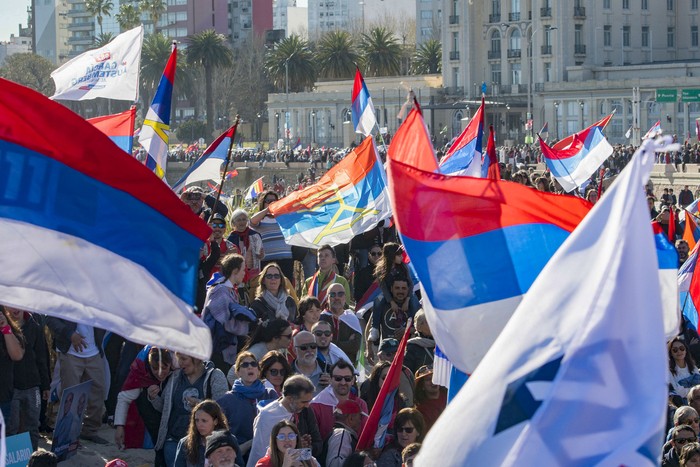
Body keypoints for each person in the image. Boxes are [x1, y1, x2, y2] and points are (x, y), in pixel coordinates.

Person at [152, 353, 228, 466]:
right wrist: (153, 397)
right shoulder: (175, 377)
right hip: (173, 440)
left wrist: (200, 405)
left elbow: (222, 408)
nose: (180, 363)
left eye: (184, 359)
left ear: (197, 358)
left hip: (203, 444)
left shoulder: (215, 375)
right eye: (178, 359)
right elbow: (164, 409)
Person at [45, 316, 107, 444]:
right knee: (70, 395)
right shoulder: (65, 295)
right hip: (70, 351)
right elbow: (50, 318)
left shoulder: (99, 296)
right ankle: (66, 435)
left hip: (94, 351)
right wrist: (70, 334)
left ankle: (90, 431)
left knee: (98, 392)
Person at [114, 347, 173, 465]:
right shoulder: (140, 370)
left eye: (164, 367)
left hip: (173, 408)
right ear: (149, 365)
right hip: (150, 407)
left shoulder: (179, 363)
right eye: (155, 368)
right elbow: (124, 398)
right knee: (159, 442)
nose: (160, 373)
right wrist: (119, 426)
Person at [247, 375, 322, 467]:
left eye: (308, 401)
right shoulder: (267, 416)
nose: (307, 405)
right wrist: (294, 446)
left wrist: (301, 446)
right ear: (290, 398)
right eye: (303, 402)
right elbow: (263, 454)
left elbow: (317, 443)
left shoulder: (306, 410)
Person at [202, 253, 257, 374]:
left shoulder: (230, 291)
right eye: (243, 269)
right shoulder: (219, 291)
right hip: (217, 350)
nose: (245, 273)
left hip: (226, 348)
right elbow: (227, 322)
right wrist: (249, 326)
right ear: (235, 270)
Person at [218, 352, 278, 459]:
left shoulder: (270, 394)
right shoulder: (226, 400)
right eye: (244, 365)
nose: (250, 367)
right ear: (238, 372)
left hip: (267, 454)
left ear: (258, 371)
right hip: (239, 456)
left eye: (253, 364)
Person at [6, 306, 49, 450]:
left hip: (33, 387)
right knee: (11, 428)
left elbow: (42, 358)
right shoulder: (4, 328)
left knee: (32, 426)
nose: (14, 308)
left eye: (17, 304)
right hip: (11, 388)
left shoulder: (34, 326)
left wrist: (46, 385)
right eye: (9, 305)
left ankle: (33, 460)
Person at [311, 360, 368, 440]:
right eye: (338, 378)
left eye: (347, 378)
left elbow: (364, 434)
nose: (343, 382)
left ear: (352, 380)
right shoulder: (316, 405)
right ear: (330, 379)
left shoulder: (361, 404)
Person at [250, 190, 295, 280]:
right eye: (268, 201)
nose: (271, 203)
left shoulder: (283, 217)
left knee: (286, 288)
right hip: (267, 261)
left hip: (285, 260)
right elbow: (252, 221)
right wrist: (268, 209)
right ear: (263, 203)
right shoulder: (261, 219)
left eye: (274, 201)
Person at [174, 399, 229, 467]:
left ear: (215, 421)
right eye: (197, 420)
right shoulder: (185, 443)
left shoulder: (229, 441)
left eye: (204, 421)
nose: (199, 424)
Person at [320, 283, 363, 366]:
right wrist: (347, 343)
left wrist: (332, 343)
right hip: (326, 366)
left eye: (340, 294)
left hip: (347, 366)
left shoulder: (352, 318)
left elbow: (355, 346)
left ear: (345, 297)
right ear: (327, 298)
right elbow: (321, 343)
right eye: (332, 294)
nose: (337, 298)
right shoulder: (321, 318)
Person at [255, 420, 321, 467]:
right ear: (275, 441)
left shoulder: (309, 460)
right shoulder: (264, 464)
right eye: (281, 437)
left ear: (297, 439)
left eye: (291, 436)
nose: (287, 440)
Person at [227, 208, 264, 281]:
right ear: (233, 223)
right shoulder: (230, 239)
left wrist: (261, 255)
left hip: (254, 273)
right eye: (239, 220)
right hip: (237, 274)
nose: (242, 222)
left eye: (244, 219)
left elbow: (261, 256)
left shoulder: (255, 235)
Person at [325, 400, 364, 467]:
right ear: (350, 418)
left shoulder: (340, 433)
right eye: (360, 417)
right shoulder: (342, 434)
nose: (360, 421)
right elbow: (336, 464)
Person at [413, 366, 446, 433]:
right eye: (428, 379)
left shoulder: (451, 395)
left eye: (434, 377)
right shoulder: (421, 410)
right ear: (422, 386)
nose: (433, 381)